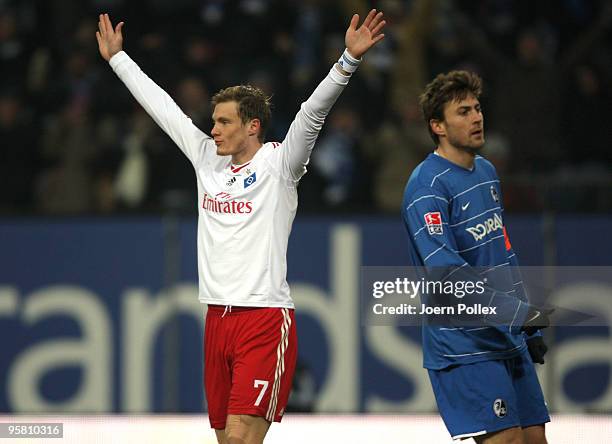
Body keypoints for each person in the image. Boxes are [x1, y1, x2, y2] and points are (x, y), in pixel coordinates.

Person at [96, 10, 385, 444]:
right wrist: (119, 59)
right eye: (213, 121)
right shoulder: (205, 159)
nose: (212, 129)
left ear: (253, 126)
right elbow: (164, 109)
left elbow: (313, 112)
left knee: (238, 440)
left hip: (264, 320)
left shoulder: (280, 164)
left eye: (223, 122)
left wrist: (347, 59)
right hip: (216, 320)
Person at [401, 70, 551, 443]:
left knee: (535, 440)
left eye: (477, 108)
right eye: (463, 111)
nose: (477, 117)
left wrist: (524, 322)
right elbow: (446, 272)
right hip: (464, 344)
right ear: (437, 125)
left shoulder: (486, 172)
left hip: (505, 335)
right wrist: (516, 314)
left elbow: (502, 250)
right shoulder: (426, 187)